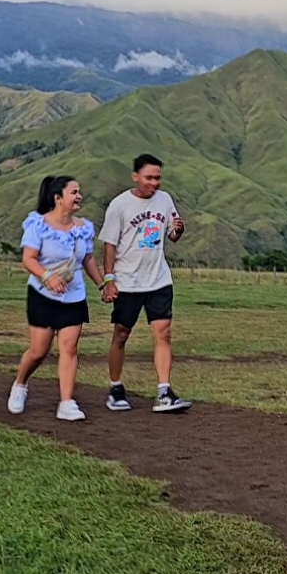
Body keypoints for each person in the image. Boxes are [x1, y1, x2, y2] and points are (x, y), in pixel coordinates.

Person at [99, 153, 192, 413]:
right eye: (149, 177)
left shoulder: (165, 200)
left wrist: (178, 230)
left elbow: (172, 235)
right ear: (135, 176)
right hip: (128, 282)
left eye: (158, 178)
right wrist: (109, 279)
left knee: (163, 333)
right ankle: (116, 388)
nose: (154, 183)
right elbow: (109, 245)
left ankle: (164, 391)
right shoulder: (119, 205)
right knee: (121, 334)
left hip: (158, 279)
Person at [8, 176, 105, 422]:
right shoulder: (38, 225)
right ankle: (20, 385)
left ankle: (66, 402)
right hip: (43, 294)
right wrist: (48, 276)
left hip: (74, 296)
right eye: (74, 192)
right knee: (39, 350)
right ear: (57, 198)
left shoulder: (83, 228)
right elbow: (28, 259)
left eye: (79, 192)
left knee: (69, 348)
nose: (79, 196)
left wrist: (103, 284)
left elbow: (88, 260)